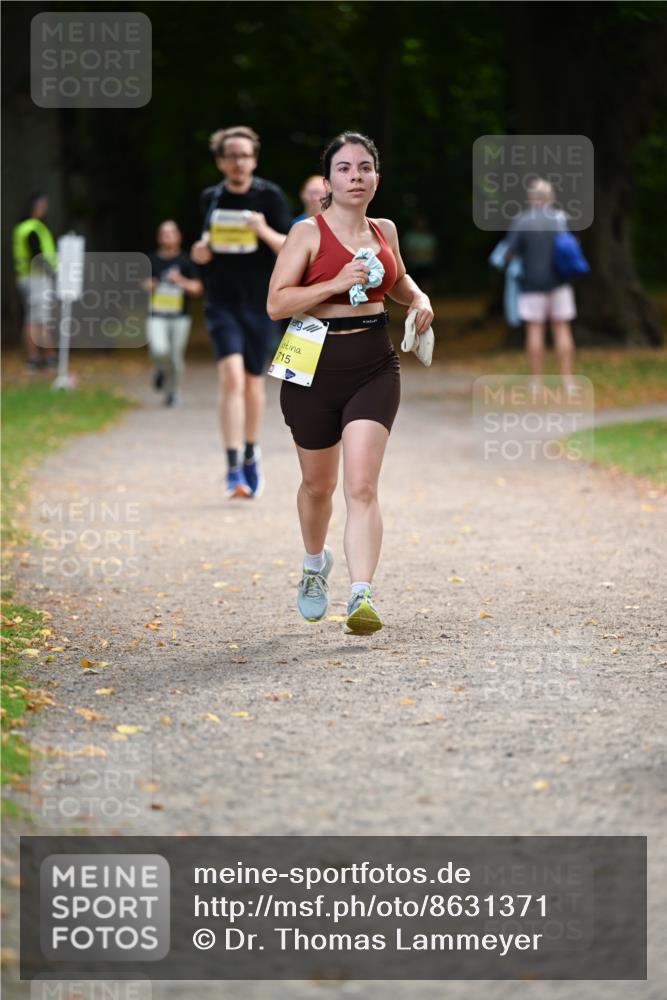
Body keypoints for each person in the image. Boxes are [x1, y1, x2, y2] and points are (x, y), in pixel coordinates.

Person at [267, 131, 433, 635]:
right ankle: (315, 565)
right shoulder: (306, 234)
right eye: (344, 168)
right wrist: (336, 283)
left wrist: (420, 298)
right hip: (312, 364)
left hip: (374, 365)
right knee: (320, 486)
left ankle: (362, 595)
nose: (355, 176)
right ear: (328, 180)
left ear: (376, 178)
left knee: (362, 486)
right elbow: (277, 303)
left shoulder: (385, 230)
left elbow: (397, 280)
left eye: (364, 168)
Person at [191, 125, 292, 498]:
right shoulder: (211, 198)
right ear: (220, 161)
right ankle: (232, 466)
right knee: (231, 378)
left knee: (252, 382)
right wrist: (200, 251)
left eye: (245, 155)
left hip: (260, 304)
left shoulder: (270, 196)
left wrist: (263, 229)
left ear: (254, 159)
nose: (239, 162)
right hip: (221, 302)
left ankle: (251, 453)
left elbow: (288, 247)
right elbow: (203, 246)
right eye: (231, 156)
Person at [503, 178, 577, 395]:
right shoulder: (561, 219)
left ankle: (536, 381)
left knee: (535, 331)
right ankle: (567, 381)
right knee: (562, 330)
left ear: (531, 198)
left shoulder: (522, 221)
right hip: (560, 284)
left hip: (531, 285)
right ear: (551, 198)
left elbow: (509, 252)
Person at [144, 220, 202, 406]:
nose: (167, 236)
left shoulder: (186, 261)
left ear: (178, 237)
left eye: (171, 233)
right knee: (159, 349)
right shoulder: (151, 259)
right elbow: (141, 285)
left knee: (176, 358)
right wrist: (150, 285)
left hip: (180, 317)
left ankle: (172, 393)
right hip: (157, 315)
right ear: (159, 237)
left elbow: (197, 288)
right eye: (163, 233)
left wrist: (180, 281)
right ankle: (159, 369)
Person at [12, 193, 58, 371]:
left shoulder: (23, 227)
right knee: (37, 319)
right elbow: (37, 255)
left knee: (37, 317)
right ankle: (42, 356)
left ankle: (42, 356)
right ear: (36, 207)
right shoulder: (32, 228)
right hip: (37, 278)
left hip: (28, 277)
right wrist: (53, 272)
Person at [402, 213, 438, 294]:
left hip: (426, 264)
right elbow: (406, 251)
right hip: (413, 264)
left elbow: (434, 251)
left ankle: (427, 300)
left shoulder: (429, 237)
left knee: (427, 283)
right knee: (413, 284)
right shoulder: (410, 236)